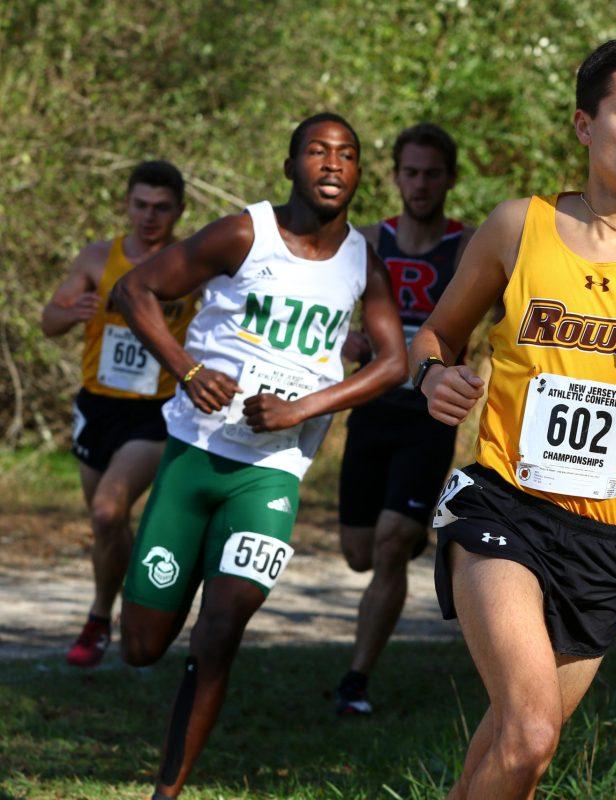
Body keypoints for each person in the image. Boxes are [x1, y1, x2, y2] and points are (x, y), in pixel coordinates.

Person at [411, 39, 616, 798]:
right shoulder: (514, 227)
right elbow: (435, 335)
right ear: (585, 125)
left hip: (608, 535)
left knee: (513, 751)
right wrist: (434, 377)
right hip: (502, 504)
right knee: (529, 732)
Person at [112, 113, 405, 799]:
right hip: (194, 457)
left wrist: (302, 409)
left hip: (271, 475)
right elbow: (136, 290)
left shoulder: (364, 261)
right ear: (290, 166)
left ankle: (167, 792)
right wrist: (187, 369)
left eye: (348, 155)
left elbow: (392, 364)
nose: (333, 164)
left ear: (360, 173)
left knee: (219, 633)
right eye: (316, 151)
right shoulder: (245, 233)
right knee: (142, 647)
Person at [333, 122, 475, 715]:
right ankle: (410, 529)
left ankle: (355, 683)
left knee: (389, 549)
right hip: (370, 410)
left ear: (449, 179)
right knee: (359, 553)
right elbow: (331, 318)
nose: (420, 184)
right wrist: (347, 342)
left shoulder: (468, 247)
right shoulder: (366, 241)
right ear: (394, 177)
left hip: (428, 415)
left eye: (431, 174)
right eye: (410, 173)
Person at [40, 160, 198, 667]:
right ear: (127, 204)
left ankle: (113, 615)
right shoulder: (96, 258)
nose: (149, 217)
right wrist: (72, 312)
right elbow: (49, 321)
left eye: (162, 208)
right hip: (98, 407)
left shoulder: (191, 262)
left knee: (108, 510)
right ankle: (104, 614)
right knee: (107, 526)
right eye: (141, 205)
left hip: (156, 412)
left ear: (179, 211)